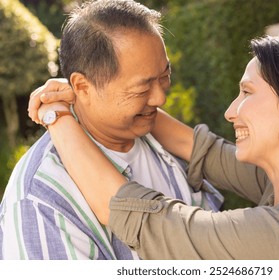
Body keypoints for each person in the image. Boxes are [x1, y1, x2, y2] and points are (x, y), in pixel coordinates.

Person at [29, 32, 279, 259]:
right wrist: (100, 95)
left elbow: (142, 218)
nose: (230, 111)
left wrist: (57, 115)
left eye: (247, 93)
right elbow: (196, 148)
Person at [0, 0, 222, 260]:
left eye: (165, 75)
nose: (160, 98)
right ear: (82, 87)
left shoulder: (165, 142)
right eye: (142, 88)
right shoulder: (42, 199)